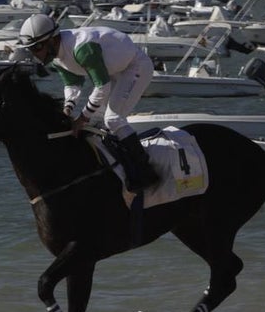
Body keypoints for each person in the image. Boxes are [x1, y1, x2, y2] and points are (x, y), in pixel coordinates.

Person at [18, 13, 159, 191]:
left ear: (52, 40)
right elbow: (73, 85)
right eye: (31, 49)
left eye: (37, 48)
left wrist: (82, 117)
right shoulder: (57, 58)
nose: (35, 55)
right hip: (114, 72)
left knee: (113, 119)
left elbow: (102, 87)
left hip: (135, 66)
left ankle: (145, 171)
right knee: (94, 125)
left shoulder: (82, 49)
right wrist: (68, 109)